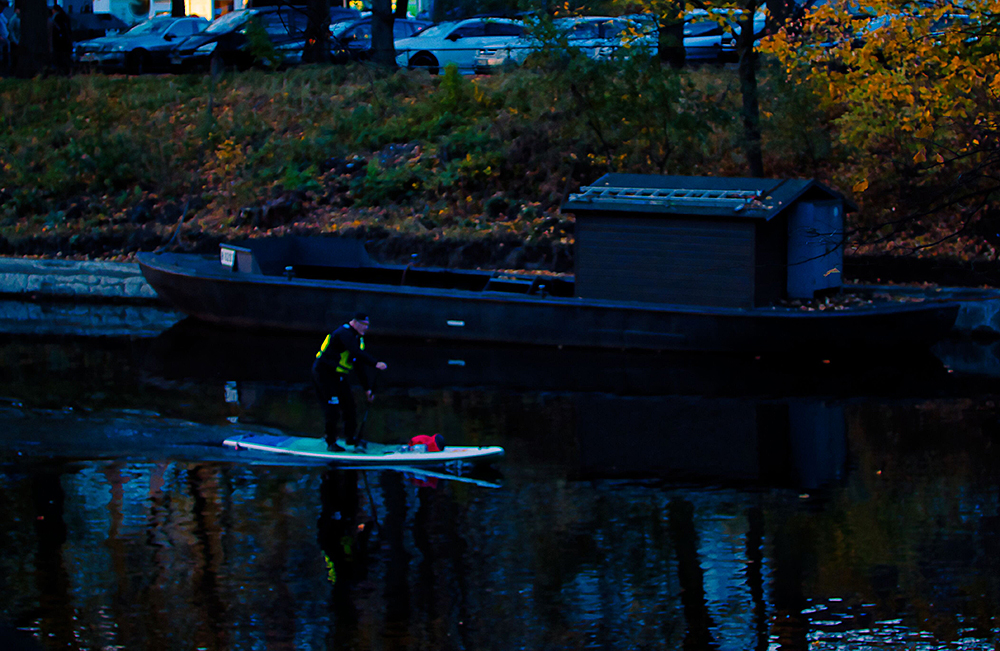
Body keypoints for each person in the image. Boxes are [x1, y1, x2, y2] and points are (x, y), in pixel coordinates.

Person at [312, 312, 387, 451]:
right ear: (356, 322)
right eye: (364, 325)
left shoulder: (358, 339)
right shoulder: (344, 333)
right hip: (324, 374)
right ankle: (330, 442)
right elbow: (356, 352)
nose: (366, 328)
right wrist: (375, 363)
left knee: (350, 407)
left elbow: (358, 365)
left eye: (368, 326)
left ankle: (350, 439)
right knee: (333, 409)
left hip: (339, 376)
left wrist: (367, 389)